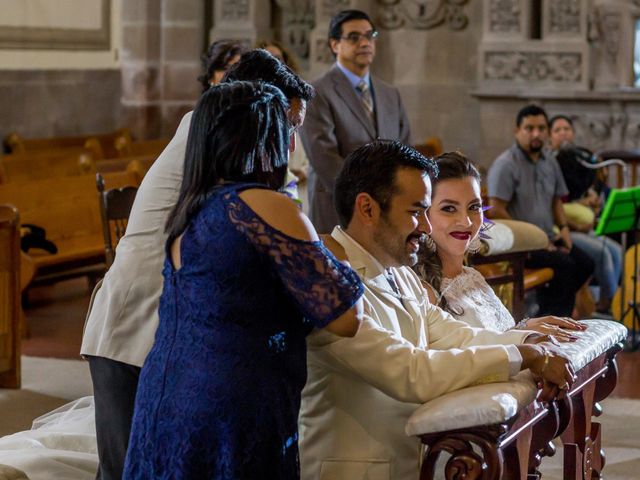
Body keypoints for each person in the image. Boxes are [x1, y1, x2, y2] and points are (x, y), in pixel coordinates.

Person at [80, 49, 315, 480]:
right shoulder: (206, 133)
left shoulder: (229, 143)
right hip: (135, 318)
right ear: (258, 105)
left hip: (174, 327)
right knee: (124, 467)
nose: (290, 142)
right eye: (288, 125)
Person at [122, 81, 363, 478]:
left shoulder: (192, 208)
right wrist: (339, 257)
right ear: (263, 139)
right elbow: (345, 317)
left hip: (167, 392)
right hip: (231, 403)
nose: (291, 147)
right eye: (287, 132)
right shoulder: (266, 206)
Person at [299, 140, 575, 480]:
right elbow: (410, 371)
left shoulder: (399, 272)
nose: (426, 227)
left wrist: (531, 340)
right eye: (416, 212)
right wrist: (524, 356)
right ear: (367, 209)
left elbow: (453, 334)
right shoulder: (327, 282)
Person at [416, 150, 586, 339]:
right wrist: (523, 338)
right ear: (425, 215)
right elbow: (459, 361)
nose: (466, 222)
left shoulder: (472, 276)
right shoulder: (424, 292)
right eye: (449, 209)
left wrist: (527, 326)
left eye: (474, 207)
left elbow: (497, 336)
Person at [300, 9, 411, 233]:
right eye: (354, 37)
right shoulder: (317, 92)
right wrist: (370, 200)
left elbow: (405, 150)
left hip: (387, 213)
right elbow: (325, 158)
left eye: (370, 36)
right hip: (338, 210)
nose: (364, 43)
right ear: (334, 44)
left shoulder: (390, 94)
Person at [487, 104, 594, 317]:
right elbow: (495, 209)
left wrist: (563, 228)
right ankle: (555, 325)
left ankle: (546, 313)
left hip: (549, 237)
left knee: (586, 263)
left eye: (541, 128)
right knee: (565, 266)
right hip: (521, 246)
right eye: (529, 128)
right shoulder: (506, 164)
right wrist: (532, 238)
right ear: (517, 131)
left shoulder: (550, 161)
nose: (536, 133)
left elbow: (556, 200)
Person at [549, 115, 622, 314]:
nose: (563, 133)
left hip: (579, 221)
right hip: (563, 227)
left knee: (615, 250)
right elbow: (554, 204)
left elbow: (580, 192)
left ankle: (609, 301)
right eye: (558, 130)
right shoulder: (549, 163)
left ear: (573, 133)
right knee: (603, 253)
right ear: (550, 137)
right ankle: (610, 309)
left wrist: (592, 197)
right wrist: (577, 221)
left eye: (567, 129)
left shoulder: (579, 158)